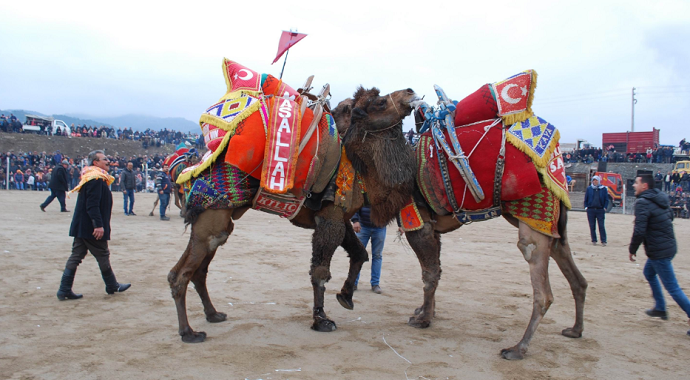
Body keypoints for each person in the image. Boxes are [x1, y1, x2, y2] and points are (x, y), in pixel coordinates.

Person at [56, 150, 131, 300]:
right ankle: (112, 285)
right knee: (102, 253)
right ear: (95, 163)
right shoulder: (96, 178)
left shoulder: (93, 177)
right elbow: (92, 205)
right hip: (90, 227)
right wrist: (98, 225)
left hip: (82, 225)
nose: (108, 161)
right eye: (104, 160)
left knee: (76, 255)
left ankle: (64, 289)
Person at [629, 174, 690, 336]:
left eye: (636, 183)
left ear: (645, 186)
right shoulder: (660, 198)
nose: (634, 186)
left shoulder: (642, 202)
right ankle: (661, 308)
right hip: (669, 246)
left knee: (673, 287)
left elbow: (639, 230)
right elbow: (669, 217)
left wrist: (632, 249)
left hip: (659, 251)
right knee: (649, 273)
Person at [351, 206, 387, 294]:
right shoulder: (363, 191)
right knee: (357, 255)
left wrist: (400, 224)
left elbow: (393, 207)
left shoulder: (387, 192)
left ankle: (375, 284)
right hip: (363, 226)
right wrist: (355, 220)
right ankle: (353, 283)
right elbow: (356, 204)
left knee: (377, 256)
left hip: (380, 227)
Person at [584, 175, 608, 246]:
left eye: (596, 180)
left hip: (600, 210)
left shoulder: (603, 189)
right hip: (591, 210)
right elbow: (586, 198)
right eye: (594, 180)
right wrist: (586, 207)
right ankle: (594, 240)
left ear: (599, 181)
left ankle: (603, 241)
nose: (595, 181)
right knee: (592, 226)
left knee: (601, 226)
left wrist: (605, 207)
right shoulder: (589, 189)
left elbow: (606, 199)